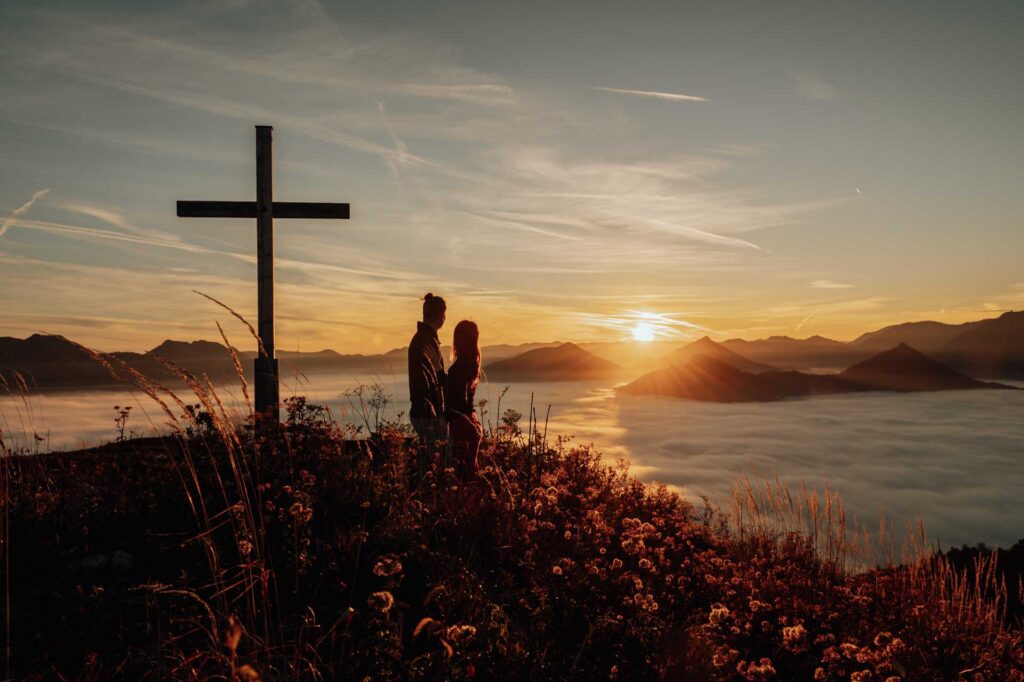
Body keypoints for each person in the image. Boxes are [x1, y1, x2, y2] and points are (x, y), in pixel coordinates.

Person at [408, 293, 448, 476]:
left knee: (429, 463)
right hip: (428, 414)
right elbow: (435, 380)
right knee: (436, 465)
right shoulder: (427, 341)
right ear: (441, 317)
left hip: (421, 411)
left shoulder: (421, 339)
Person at [446, 320, 483, 480]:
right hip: (466, 420)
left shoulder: (459, 367)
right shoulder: (471, 364)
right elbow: (467, 400)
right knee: (469, 468)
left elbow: (458, 400)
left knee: (460, 470)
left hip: (458, 422)